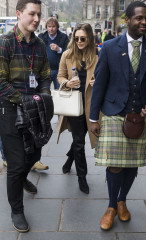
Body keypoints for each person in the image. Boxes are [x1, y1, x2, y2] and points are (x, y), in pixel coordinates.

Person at [90, 1, 146, 231]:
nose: (144, 22)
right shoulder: (110, 47)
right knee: (115, 165)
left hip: (142, 115)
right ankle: (111, 206)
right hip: (114, 112)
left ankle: (122, 201)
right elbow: (99, 84)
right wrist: (93, 118)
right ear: (127, 20)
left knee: (132, 164)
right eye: (139, 18)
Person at [0, 0, 51, 233]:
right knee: (16, 163)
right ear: (19, 14)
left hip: (35, 110)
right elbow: (0, 82)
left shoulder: (40, 45)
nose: (37, 19)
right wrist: (25, 101)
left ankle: (21, 177)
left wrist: (42, 96)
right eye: (32, 14)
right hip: (10, 109)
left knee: (36, 152)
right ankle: (17, 209)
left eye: (39, 14)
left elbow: (45, 76)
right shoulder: (5, 43)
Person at [57, 23, 98, 194]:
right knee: (80, 142)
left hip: (90, 105)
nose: (79, 41)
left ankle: (68, 161)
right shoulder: (67, 55)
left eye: (83, 38)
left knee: (78, 139)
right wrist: (67, 83)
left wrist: (97, 82)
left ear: (89, 39)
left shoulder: (96, 56)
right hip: (74, 104)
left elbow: (105, 76)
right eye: (76, 38)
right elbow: (60, 76)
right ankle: (82, 177)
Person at [38, 17, 69, 90]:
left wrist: (59, 49)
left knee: (59, 92)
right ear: (46, 27)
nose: (51, 29)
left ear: (57, 27)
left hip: (59, 70)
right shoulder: (41, 37)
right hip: (45, 70)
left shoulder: (64, 37)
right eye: (49, 27)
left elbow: (69, 52)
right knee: (44, 92)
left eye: (53, 27)